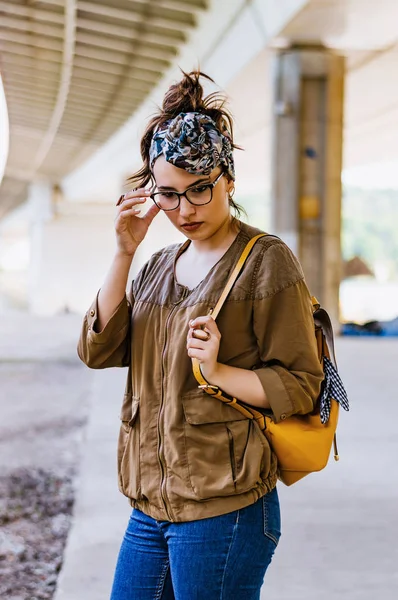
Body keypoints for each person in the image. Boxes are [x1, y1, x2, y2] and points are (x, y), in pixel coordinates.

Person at [77, 71, 324, 600]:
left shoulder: (265, 261)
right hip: (150, 506)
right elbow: (99, 349)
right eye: (168, 195)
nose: (185, 210)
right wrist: (124, 252)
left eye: (199, 190)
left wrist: (218, 371)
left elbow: (302, 384)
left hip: (225, 508)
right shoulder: (159, 264)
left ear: (228, 181)